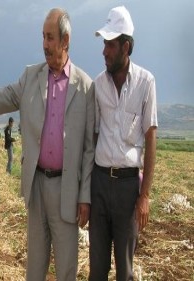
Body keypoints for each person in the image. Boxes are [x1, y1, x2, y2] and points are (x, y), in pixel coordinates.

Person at [0, 8, 95, 281]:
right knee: (34, 268)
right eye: (43, 37)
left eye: (50, 38)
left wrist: (85, 196)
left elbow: (89, 148)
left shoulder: (85, 87)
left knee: (66, 270)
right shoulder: (31, 77)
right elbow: (3, 96)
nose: (45, 45)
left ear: (66, 41)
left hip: (67, 190)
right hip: (37, 186)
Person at [89, 6, 158, 281]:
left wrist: (144, 196)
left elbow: (151, 138)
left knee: (125, 272)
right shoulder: (98, 85)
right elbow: (93, 137)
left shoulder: (146, 82)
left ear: (126, 47)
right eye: (104, 43)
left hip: (129, 188)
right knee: (97, 268)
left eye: (110, 44)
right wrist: (86, 193)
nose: (104, 51)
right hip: (100, 184)